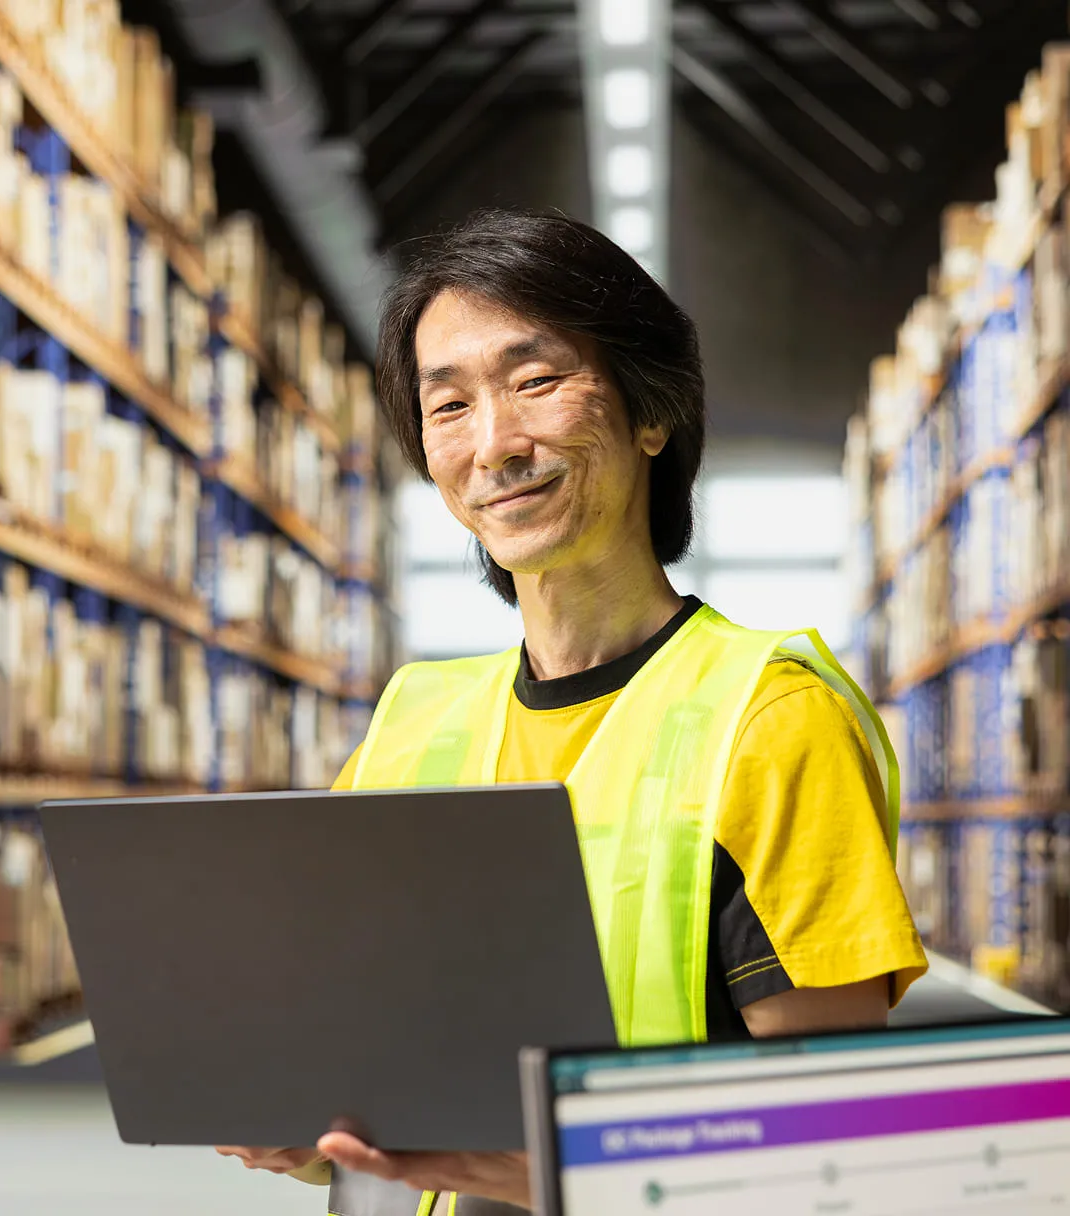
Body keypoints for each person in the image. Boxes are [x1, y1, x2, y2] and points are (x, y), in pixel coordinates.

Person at [216, 209, 928, 1214]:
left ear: (649, 412)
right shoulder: (413, 719)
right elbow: (361, 1073)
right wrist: (297, 1121)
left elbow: (832, 1154)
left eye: (537, 382)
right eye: (449, 405)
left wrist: (566, 1167)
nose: (494, 444)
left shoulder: (768, 719)